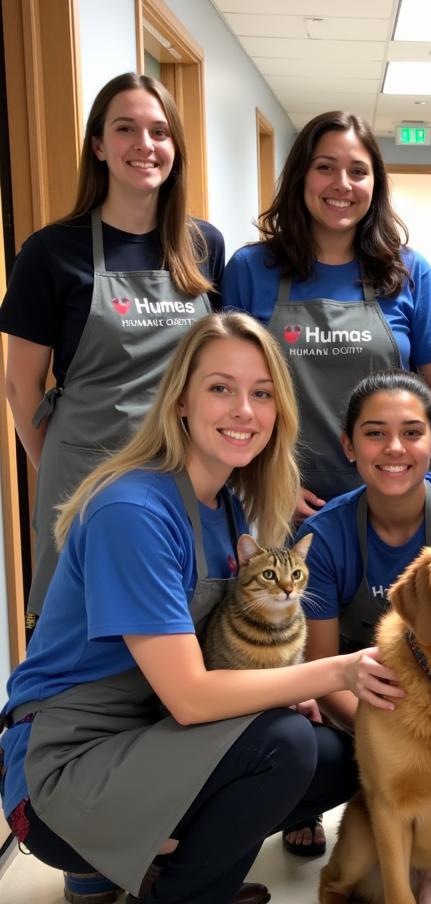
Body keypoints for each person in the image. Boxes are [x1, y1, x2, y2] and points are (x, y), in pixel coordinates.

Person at [0, 312, 402, 904]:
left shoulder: (223, 510)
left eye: (262, 393)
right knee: (282, 747)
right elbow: (188, 696)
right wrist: (334, 672)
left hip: (137, 737)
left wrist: (291, 693)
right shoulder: (135, 508)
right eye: (221, 388)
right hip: (60, 771)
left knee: (333, 755)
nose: (243, 411)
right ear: (180, 399)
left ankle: (171, 864)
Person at [2, 72, 224, 630]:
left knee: (176, 633)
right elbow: (20, 385)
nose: (144, 146)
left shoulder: (203, 246)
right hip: (85, 482)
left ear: (176, 147)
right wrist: (63, 467)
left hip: (183, 477)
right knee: (83, 637)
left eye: (159, 132)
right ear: (98, 145)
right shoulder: (52, 251)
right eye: (126, 129)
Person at [286, 369, 431, 855]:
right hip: (371, 694)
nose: (395, 448)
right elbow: (322, 672)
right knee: (315, 746)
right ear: (349, 446)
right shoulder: (325, 536)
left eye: (412, 433)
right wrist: (399, 741)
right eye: (375, 434)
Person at [221, 110, 431, 516]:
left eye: (358, 171)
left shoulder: (408, 271)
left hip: (388, 497)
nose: (342, 185)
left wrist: (403, 454)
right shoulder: (250, 270)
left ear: (376, 185)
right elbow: (228, 391)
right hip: (281, 499)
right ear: (301, 176)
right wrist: (268, 479)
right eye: (325, 168)